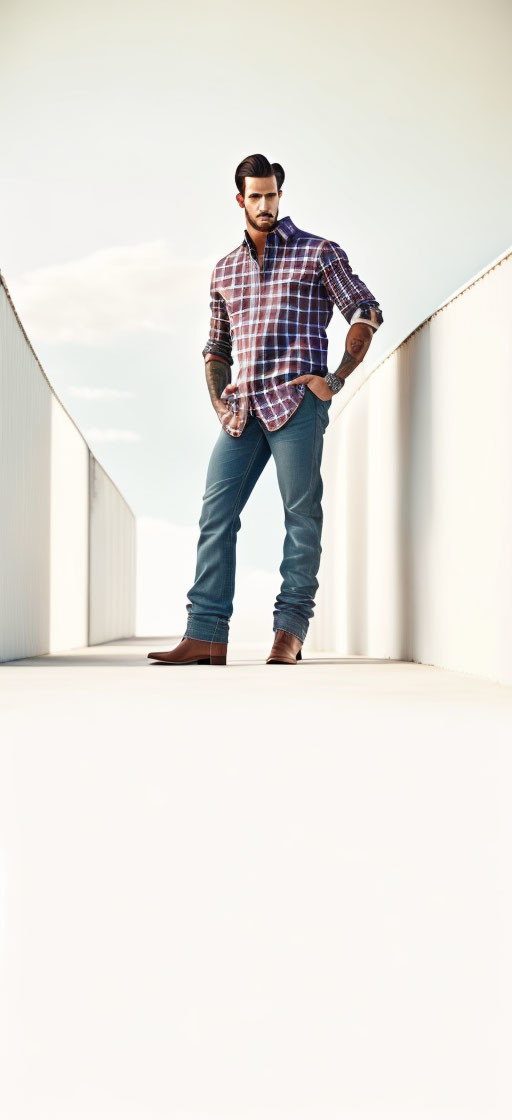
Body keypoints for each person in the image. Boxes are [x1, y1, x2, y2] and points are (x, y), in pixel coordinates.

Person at [148, 153, 383, 667]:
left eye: (272, 194)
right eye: (255, 196)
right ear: (240, 199)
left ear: (280, 193)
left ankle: (289, 632)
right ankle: (206, 633)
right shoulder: (225, 269)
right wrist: (217, 398)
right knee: (216, 513)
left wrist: (336, 379)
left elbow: (365, 310)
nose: (265, 204)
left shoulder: (318, 253)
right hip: (242, 409)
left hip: (297, 401)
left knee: (300, 514)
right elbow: (216, 346)